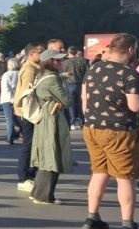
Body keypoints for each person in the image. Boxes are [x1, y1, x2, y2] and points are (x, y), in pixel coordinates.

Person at [81, 33, 139, 229]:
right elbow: (135, 106)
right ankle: (128, 225)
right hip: (120, 131)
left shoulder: (94, 69)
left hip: (92, 128)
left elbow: (84, 100)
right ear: (130, 50)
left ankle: (92, 217)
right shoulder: (129, 74)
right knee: (125, 177)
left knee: (99, 172)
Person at [29, 50, 72, 204]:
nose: (60, 63)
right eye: (57, 60)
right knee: (52, 155)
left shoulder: (43, 76)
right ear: (49, 62)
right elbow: (67, 101)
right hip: (52, 119)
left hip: (44, 117)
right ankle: (44, 196)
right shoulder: (52, 79)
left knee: (47, 156)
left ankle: (38, 192)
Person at [13, 44, 43, 191]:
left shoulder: (34, 67)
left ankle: (29, 174)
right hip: (26, 112)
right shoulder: (30, 70)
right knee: (28, 145)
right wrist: (26, 114)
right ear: (31, 54)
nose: (42, 55)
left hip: (25, 111)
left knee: (32, 145)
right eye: (39, 53)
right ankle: (23, 178)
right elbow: (27, 93)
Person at [61, 46, 88, 130]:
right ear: (76, 52)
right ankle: (83, 121)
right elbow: (88, 72)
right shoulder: (84, 60)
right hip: (82, 85)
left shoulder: (66, 62)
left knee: (71, 105)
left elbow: (63, 73)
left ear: (69, 53)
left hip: (70, 85)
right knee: (82, 104)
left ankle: (72, 123)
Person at [0, 59, 21, 145]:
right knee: (19, 118)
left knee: (9, 119)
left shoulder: (6, 75)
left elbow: (5, 89)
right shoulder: (20, 73)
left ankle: (10, 137)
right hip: (19, 98)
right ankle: (20, 134)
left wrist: (11, 99)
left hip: (7, 100)